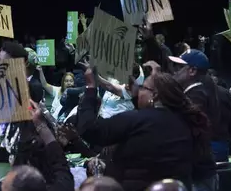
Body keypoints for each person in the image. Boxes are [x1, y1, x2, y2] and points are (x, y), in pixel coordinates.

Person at [77, 70, 210, 191]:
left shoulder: (135, 120)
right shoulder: (186, 121)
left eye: (142, 88)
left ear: (155, 95)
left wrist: (90, 88)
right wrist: (136, 97)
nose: (138, 91)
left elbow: (90, 130)